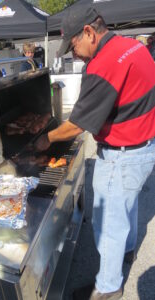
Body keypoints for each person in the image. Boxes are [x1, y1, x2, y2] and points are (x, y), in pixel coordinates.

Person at [34, 6, 155, 300]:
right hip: (144, 147)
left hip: (121, 156)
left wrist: (44, 140)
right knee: (128, 206)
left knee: (108, 224)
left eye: (73, 45)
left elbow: (76, 125)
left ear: (88, 32)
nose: (73, 53)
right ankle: (127, 252)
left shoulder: (105, 63)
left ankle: (108, 287)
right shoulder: (132, 47)